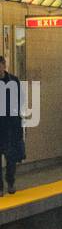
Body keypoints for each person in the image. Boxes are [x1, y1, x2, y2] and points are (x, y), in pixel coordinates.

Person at [0, 55, 24, 196]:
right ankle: (0, 187)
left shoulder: (13, 81)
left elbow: (20, 100)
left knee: (10, 157)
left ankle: (10, 181)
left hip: (9, 126)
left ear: (4, 65)